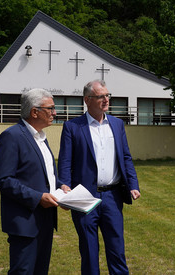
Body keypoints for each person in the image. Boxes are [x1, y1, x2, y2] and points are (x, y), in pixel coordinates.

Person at [58, 79, 141, 275]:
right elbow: (65, 161)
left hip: (112, 197)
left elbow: (126, 157)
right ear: (87, 100)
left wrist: (133, 184)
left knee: (117, 249)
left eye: (107, 95)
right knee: (89, 250)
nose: (106, 99)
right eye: (100, 96)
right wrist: (63, 185)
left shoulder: (117, 124)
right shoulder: (72, 127)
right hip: (84, 196)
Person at [0, 88, 70, 274]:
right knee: (24, 271)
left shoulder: (41, 138)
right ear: (34, 112)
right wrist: (37, 197)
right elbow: (3, 179)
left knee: (40, 270)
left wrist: (60, 186)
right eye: (50, 108)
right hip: (25, 221)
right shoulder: (12, 136)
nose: (55, 113)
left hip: (46, 218)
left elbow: (42, 174)